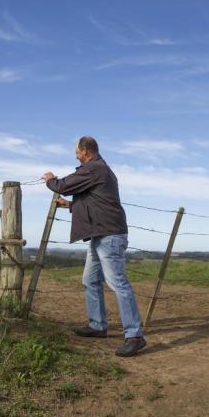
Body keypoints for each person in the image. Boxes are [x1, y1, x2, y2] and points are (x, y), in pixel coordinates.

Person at [42, 136, 146, 357]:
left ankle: (135, 335)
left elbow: (63, 185)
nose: (76, 156)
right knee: (90, 280)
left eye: (77, 153)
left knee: (118, 283)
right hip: (100, 234)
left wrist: (50, 180)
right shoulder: (99, 171)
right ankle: (97, 326)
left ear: (86, 151)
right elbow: (95, 203)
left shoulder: (94, 168)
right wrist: (69, 205)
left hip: (109, 236)